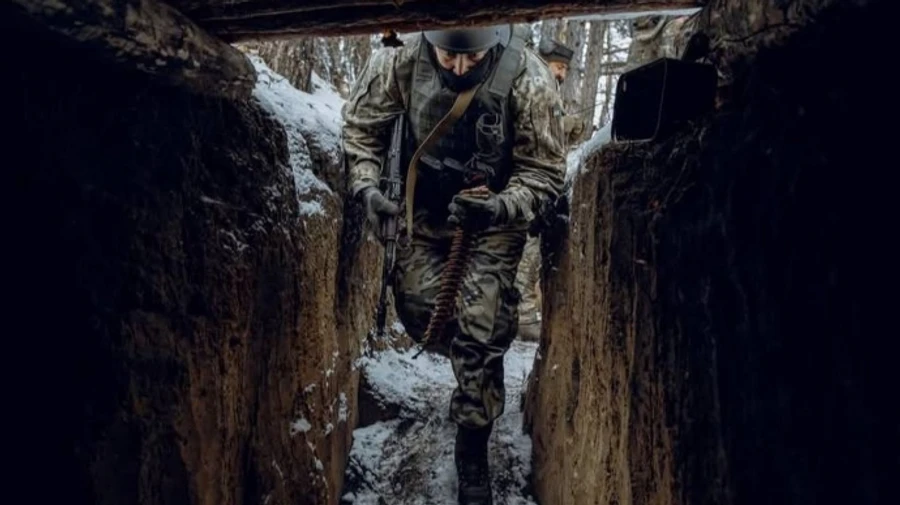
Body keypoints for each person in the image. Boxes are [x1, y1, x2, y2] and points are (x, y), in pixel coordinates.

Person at [341, 24, 565, 505]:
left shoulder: (529, 76)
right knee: (423, 311)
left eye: (471, 59)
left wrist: (502, 207)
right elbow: (361, 130)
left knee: (481, 324)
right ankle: (477, 362)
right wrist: (368, 189)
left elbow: (544, 172)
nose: (460, 68)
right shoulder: (396, 62)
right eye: (448, 58)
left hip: (494, 215)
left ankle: (473, 441)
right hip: (423, 213)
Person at [512, 37, 580, 342]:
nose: (561, 73)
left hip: (541, 189)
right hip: (524, 188)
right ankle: (522, 317)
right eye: (558, 66)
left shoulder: (551, 91)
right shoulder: (532, 84)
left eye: (565, 68)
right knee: (524, 254)